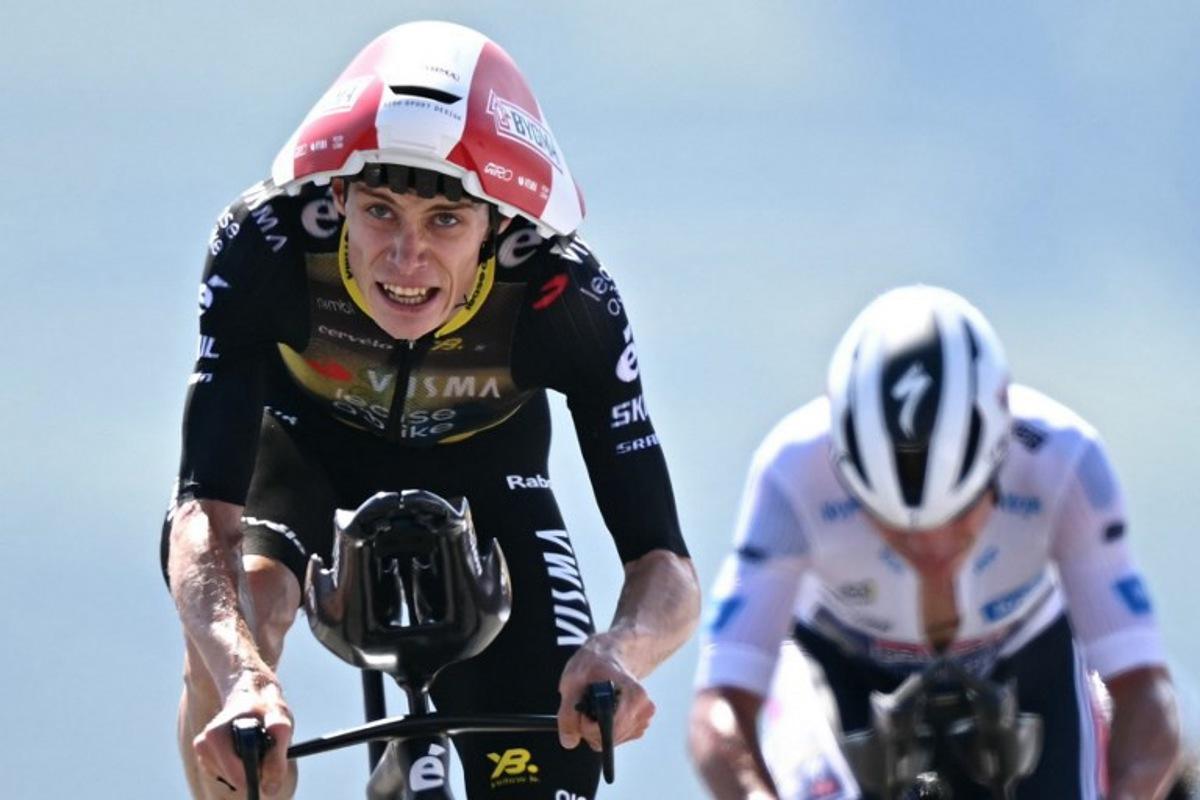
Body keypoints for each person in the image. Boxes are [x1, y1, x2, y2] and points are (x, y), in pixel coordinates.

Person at [161, 20, 699, 799]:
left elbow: (666, 566)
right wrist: (245, 677)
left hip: (488, 469)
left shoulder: (565, 296)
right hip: (305, 449)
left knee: (557, 743)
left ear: (498, 227)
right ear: (337, 193)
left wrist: (621, 654)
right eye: (380, 212)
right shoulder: (265, 244)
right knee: (243, 623)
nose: (406, 260)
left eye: (445, 222)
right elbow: (199, 517)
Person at [689, 285, 1181, 799]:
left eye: (960, 517)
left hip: (1026, 663)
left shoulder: (1068, 463)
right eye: (892, 527)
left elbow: (1143, 689)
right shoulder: (789, 472)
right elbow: (721, 705)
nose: (929, 546)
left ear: (1000, 462)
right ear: (845, 477)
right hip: (844, 669)